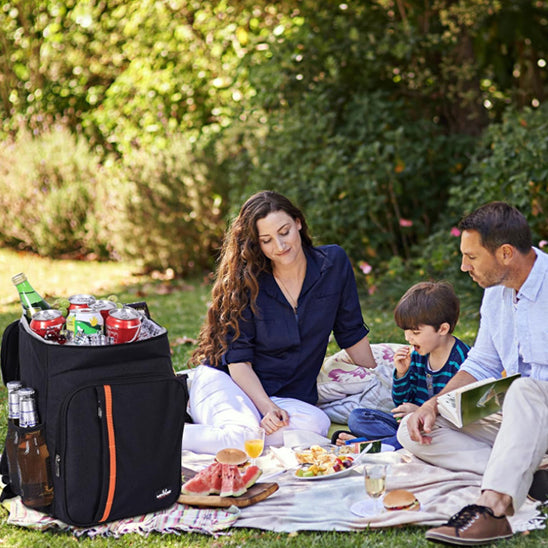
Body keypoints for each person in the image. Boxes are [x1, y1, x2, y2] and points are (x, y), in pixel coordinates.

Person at [398, 202, 548, 545]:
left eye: (472, 257)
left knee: (525, 391)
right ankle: (530, 475)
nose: (464, 266)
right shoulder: (495, 295)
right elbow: (481, 363)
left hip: (537, 405)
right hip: (515, 416)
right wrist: (434, 403)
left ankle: (492, 508)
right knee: (415, 429)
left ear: (506, 253)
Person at [182, 191, 378, 454]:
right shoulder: (246, 282)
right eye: (267, 240)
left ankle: (219, 432)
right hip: (229, 381)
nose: (280, 245)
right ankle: (157, 433)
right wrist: (267, 408)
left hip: (286, 396)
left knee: (317, 425)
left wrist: (381, 378)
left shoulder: (333, 264)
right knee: (244, 437)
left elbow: (350, 330)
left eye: (284, 231)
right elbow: (239, 363)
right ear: (257, 244)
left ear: (298, 222)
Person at [333, 281, 469, 449]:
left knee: (421, 437)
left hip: (439, 429)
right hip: (408, 423)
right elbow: (401, 404)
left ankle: (369, 447)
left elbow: (460, 416)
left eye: (415, 332)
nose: (407, 338)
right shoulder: (418, 355)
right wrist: (401, 373)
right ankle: (389, 444)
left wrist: (418, 411)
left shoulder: (463, 361)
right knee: (357, 417)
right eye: (406, 331)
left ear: (442, 329)